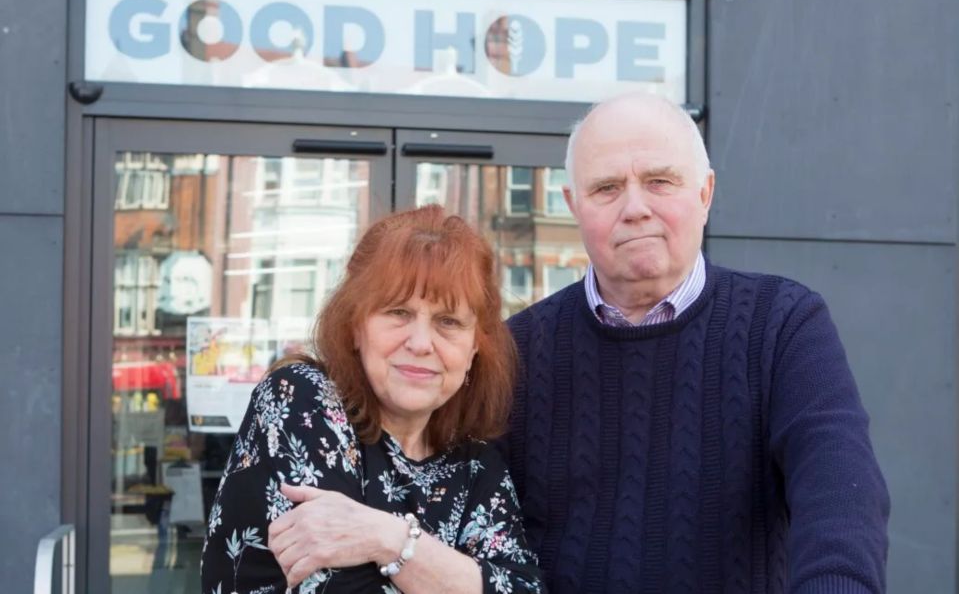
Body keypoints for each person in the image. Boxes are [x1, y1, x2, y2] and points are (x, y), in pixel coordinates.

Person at [502, 93, 890, 593]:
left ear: (705, 193)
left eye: (660, 181)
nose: (635, 208)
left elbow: (840, 495)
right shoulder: (517, 351)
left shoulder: (784, 323)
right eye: (607, 188)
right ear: (574, 205)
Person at [201, 206, 543, 594]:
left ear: (474, 349)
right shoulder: (302, 400)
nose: (420, 344)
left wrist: (388, 538)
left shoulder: (475, 465)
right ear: (354, 327)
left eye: (448, 322)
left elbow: (523, 588)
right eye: (398, 312)